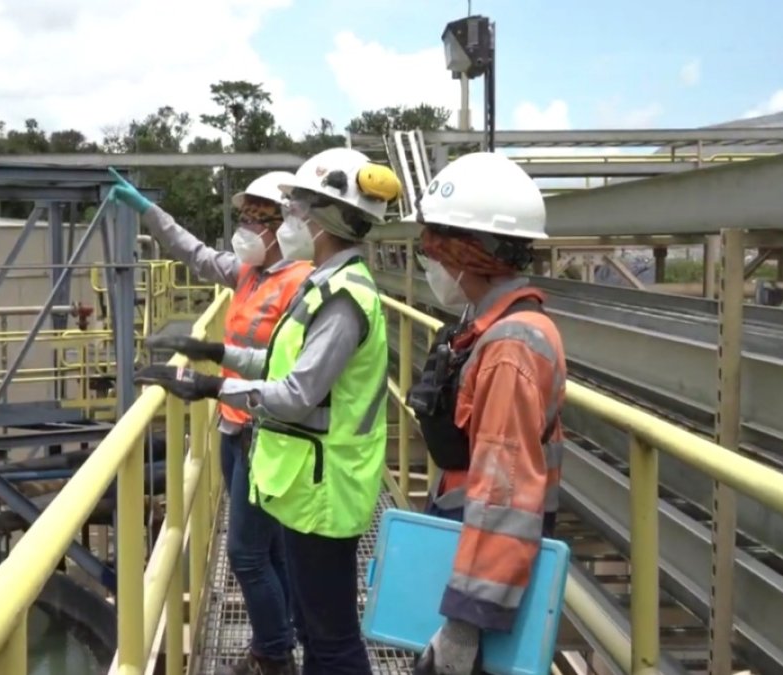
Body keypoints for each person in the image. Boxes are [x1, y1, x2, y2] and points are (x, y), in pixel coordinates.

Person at [135, 147, 402, 675]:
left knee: (332, 641)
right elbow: (279, 359)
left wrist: (213, 387)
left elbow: (296, 393)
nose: (292, 218)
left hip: (329, 488)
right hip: (307, 481)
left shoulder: (344, 299)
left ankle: (279, 652)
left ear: (323, 217)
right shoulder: (324, 284)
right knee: (318, 625)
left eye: (297, 208)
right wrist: (218, 355)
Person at [107, 168, 312, 674]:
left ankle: (273, 654)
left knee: (246, 555)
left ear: (282, 226)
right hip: (232, 423)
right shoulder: (248, 272)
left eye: (255, 219)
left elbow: (292, 372)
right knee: (272, 553)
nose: (244, 228)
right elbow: (194, 252)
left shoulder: (302, 284)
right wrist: (147, 211)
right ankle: (283, 633)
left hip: (267, 433)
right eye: (242, 217)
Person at [403, 152, 566, 675]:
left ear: (467, 253)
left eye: (432, 247)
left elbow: (505, 492)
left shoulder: (510, 347)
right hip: (469, 550)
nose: (428, 261)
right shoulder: (486, 326)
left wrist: (462, 627)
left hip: (488, 580)